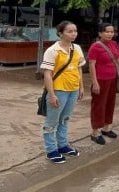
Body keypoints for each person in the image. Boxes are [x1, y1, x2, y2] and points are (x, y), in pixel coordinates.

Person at [40, 21, 86, 164]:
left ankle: (63, 145)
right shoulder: (52, 50)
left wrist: (81, 87)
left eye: (75, 31)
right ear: (60, 33)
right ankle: (51, 150)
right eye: (69, 31)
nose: (73, 34)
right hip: (59, 90)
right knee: (52, 121)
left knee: (64, 119)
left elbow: (79, 69)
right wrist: (52, 95)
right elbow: (47, 74)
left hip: (73, 89)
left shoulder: (77, 48)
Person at [87, 23, 119, 145]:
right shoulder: (95, 47)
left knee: (110, 104)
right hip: (101, 80)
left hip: (113, 79)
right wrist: (94, 82)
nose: (110, 34)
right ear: (100, 33)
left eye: (112, 32)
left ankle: (107, 127)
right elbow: (91, 65)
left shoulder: (114, 44)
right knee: (98, 105)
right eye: (107, 32)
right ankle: (95, 132)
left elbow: (118, 59)